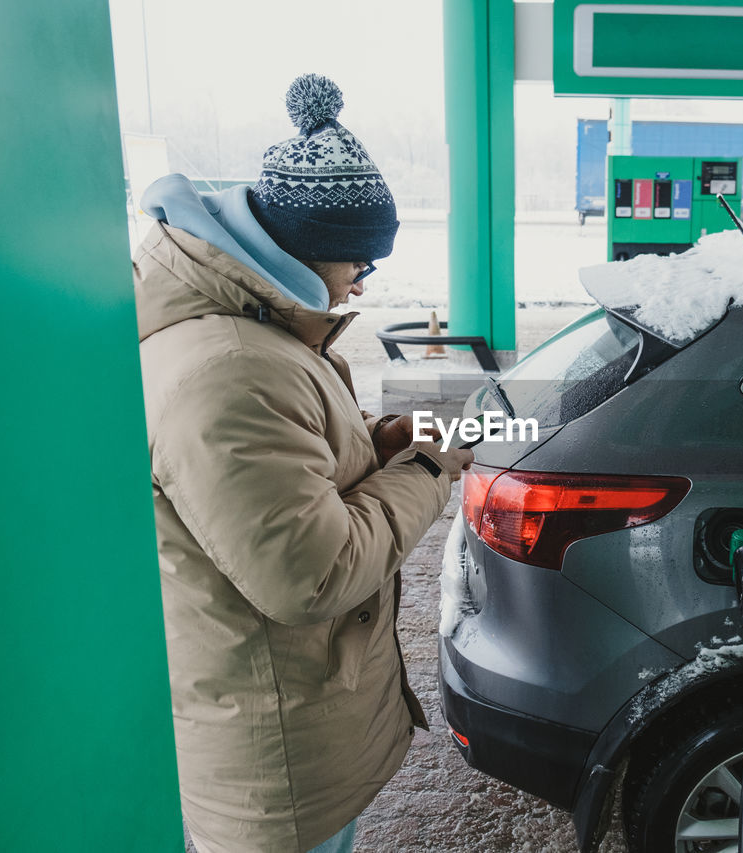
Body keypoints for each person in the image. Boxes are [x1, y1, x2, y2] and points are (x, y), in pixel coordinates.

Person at [133, 74, 473, 853]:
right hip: (273, 757)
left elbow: (289, 467)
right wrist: (423, 468)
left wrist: (374, 443)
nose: (365, 281)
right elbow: (309, 571)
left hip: (285, 726)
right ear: (308, 249)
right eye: (361, 262)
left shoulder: (252, 330)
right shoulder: (227, 368)